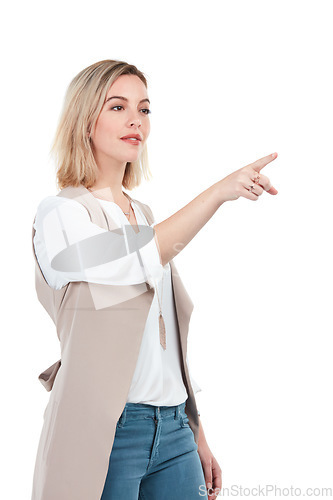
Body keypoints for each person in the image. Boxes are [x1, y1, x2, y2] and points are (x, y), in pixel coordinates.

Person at [31, 59, 278, 500]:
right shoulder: (62, 214)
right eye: (118, 107)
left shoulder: (143, 216)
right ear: (85, 120)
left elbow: (164, 344)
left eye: (144, 109)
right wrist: (219, 192)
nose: (135, 121)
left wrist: (196, 430)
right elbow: (135, 261)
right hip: (108, 432)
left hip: (175, 431)